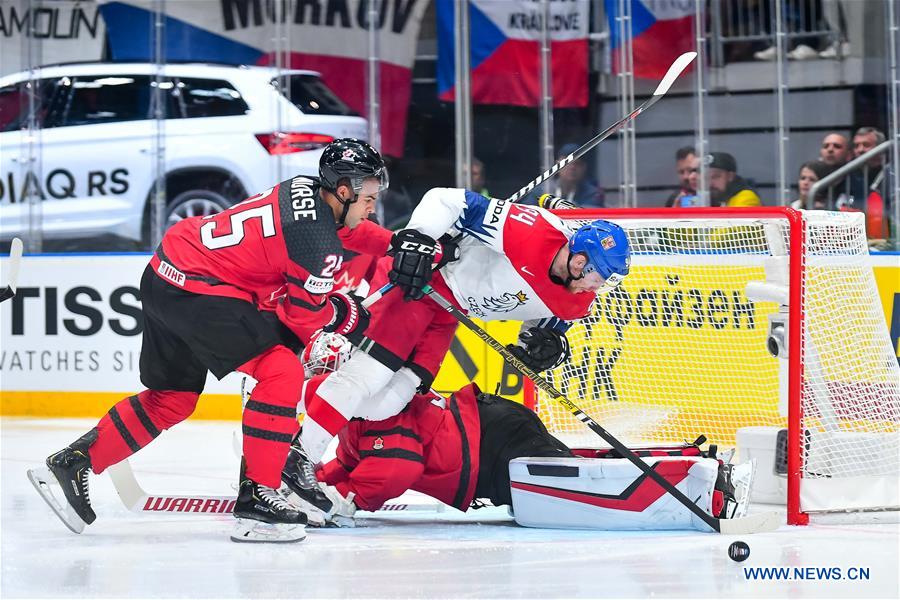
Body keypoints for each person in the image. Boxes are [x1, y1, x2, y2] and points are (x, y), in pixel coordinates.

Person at [28, 138, 390, 543]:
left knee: (173, 398)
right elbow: (302, 317)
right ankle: (257, 500)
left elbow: (344, 233)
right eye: (370, 198)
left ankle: (74, 462)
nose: (372, 207)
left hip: (166, 271)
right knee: (280, 370)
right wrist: (346, 314)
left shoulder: (303, 188)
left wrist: (393, 244)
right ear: (344, 190)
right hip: (201, 289)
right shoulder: (318, 242)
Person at [281, 187, 632, 503]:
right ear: (580, 261)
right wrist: (421, 240)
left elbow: (547, 324)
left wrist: (541, 345)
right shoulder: (530, 230)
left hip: (450, 311)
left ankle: (294, 421)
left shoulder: (579, 297)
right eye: (597, 279)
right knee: (369, 374)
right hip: (423, 280)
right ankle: (297, 460)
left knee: (391, 399)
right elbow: (446, 199)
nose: (595, 289)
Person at [291, 332, 748, 533]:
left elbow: (395, 467)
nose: (320, 383)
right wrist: (314, 481)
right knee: (571, 471)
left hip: (493, 448)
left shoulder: (371, 409)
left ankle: (698, 480)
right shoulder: (362, 413)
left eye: (323, 374)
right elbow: (353, 459)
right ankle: (687, 464)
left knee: (581, 487)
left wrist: (342, 499)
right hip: (489, 432)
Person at [837, 127, 892, 243]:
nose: (860, 150)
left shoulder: (892, 174)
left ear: (880, 149)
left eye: (866, 145)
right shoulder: (848, 175)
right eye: (856, 146)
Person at [546, 143, 604, 207]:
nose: (572, 167)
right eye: (567, 163)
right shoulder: (543, 191)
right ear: (557, 166)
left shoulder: (593, 194)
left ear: (584, 167)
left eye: (577, 163)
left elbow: (588, 213)